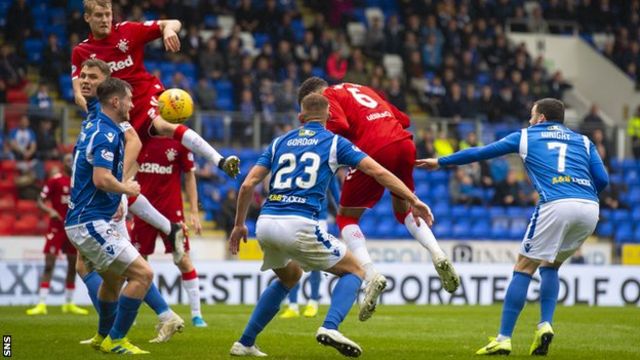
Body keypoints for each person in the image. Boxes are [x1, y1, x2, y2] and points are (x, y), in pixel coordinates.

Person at [228, 94, 434, 357]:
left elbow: (247, 185)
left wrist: (238, 225)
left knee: (290, 276)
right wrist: (413, 199)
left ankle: (245, 342)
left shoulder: (279, 142)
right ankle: (330, 326)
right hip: (299, 223)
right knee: (357, 271)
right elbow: (379, 172)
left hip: (266, 223)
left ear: (300, 117)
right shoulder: (336, 142)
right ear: (329, 117)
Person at [417, 98, 609, 356]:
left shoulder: (527, 136)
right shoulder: (584, 141)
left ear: (541, 118)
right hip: (589, 207)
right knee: (551, 265)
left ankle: (504, 338)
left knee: (523, 267)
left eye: (532, 115)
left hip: (556, 203)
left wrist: (440, 161)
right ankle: (545, 324)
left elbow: (480, 152)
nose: (529, 120)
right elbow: (603, 179)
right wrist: (581, 194)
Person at [297, 77, 460, 305]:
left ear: (314, 95)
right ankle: (438, 253)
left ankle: (371, 274)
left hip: (373, 148)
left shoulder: (328, 95)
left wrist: (327, 149)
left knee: (346, 217)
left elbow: (340, 125)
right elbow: (403, 119)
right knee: (402, 209)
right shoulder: (363, 89)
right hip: (403, 143)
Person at [74, 59, 185, 345]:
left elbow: (134, 140)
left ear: (107, 85)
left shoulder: (109, 118)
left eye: (92, 77)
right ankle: (115, 331)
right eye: (82, 76)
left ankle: (125, 330)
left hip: (103, 203)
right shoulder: (95, 110)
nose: (85, 81)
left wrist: (119, 187)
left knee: (130, 271)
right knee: (109, 274)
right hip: (95, 203)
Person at [71, 0, 239, 185]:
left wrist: (167, 30)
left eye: (108, 14)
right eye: (98, 15)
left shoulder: (127, 31)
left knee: (164, 126)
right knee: (121, 181)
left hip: (144, 96)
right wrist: (86, 103)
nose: (105, 20)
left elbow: (173, 22)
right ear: (87, 17)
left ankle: (220, 161)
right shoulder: (82, 51)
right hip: (118, 115)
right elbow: (78, 90)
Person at [64, 77, 152, 354]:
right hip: (90, 221)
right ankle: (117, 338)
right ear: (115, 101)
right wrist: (125, 187)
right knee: (143, 275)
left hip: (87, 219)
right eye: (129, 99)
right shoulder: (106, 133)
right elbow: (101, 179)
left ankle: (103, 336)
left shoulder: (96, 123)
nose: (132, 104)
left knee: (113, 281)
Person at [129, 136, 207, 327]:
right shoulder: (138, 139)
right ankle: (131, 313)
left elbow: (189, 175)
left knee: (183, 260)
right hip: (142, 211)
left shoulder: (180, 143)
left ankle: (197, 314)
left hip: (172, 211)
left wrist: (194, 211)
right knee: (138, 265)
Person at [26, 154, 89, 316]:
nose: (70, 163)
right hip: (56, 228)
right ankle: (41, 303)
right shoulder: (55, 180)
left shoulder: (80, 181)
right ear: (62, 163)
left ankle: (68, 303)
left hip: (73, 229)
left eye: (72, 160)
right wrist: (51, 210)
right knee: (49, 265)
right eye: (67, 160)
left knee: (73, 266)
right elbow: (40, 200)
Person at [279, 177, 340, 319]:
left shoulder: (327, 160)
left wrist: (341, 215)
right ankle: (292, 305)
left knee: (315, 261)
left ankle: (313, 302)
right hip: (296, 215)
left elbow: (335, 192)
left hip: (319, 218)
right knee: (293, 259)